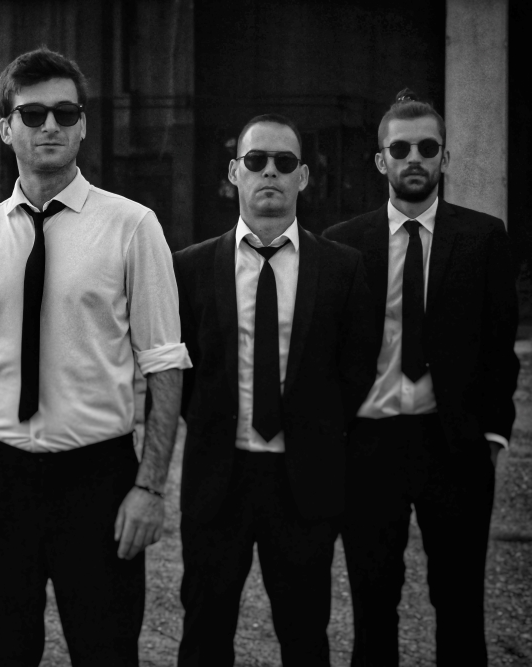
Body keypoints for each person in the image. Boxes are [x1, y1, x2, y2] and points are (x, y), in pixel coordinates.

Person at [0, 47, 190, 667]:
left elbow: (163, 362)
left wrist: (150, 487)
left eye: (65, 113)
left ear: (83, 125)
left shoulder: (133, 227)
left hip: (96, 481)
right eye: (33, 113)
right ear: (5, 128)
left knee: (107, 653)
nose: (50, 125)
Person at [323, 90, 518, 667]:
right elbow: (326, 350)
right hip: (369, 445)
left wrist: (492, 435)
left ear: (445, 158)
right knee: (372, 604)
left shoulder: (483, 237)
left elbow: (499, 346)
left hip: (453, 444)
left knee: (460, 603)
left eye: (427, 148)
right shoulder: (343, 243)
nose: (414, 159)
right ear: (380, 159)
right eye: (401, 148)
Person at [174, 114, 375, 666]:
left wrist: (315, 428)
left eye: (284, 162)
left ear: (302, 176)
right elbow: (181, 370)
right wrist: (212, 422)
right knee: (204, 635)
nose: (270, 172)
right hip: (219, 480)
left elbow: (357, 368)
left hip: (303, 484)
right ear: (233, 172)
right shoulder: (189, 268)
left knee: (305, 637)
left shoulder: (342, 269)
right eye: (256, 160)